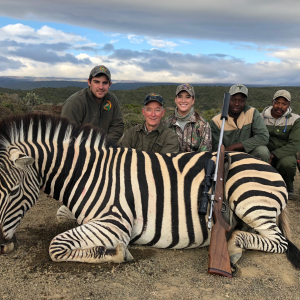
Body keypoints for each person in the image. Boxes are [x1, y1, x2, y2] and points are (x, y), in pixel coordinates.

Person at [61, 65, 124, 144]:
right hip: (81, 148)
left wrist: (104, 144)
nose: (101, 87)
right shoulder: (75, 102)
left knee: (125, 140)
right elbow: (67, 133)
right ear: (89, 82)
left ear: (109, 85)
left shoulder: (112, 99)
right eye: (96, 82)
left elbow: (118, 126)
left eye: (105, 83)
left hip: (105, 145)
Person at [210, 84, 270, 162]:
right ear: (227, 99)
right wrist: (228, 151)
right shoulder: (216, 120)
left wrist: (234, 147)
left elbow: (263, 137)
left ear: (245, 101)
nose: (236, 104)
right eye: (233, 100)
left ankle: (262, 173)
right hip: (228, 155)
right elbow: (215, 148)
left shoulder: (252, 112)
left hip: (249, 152)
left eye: (241, 101)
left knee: (263, 152)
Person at [261, 90, 300, 198]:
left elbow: (295, 144)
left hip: (285, 152)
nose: (280, 106)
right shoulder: (260, 117)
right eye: (277, 102)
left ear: (289, 105)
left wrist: (273, 155)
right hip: (264, 150)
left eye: (284, 104)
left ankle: (287, 188)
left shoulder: (295, 120)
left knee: (287, 164)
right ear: (272, 102)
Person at [163, 83, 211, 152]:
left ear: (193, 100)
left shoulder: (203, 124)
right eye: (180, 96)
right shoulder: (166, 123)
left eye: (188, 97)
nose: (183, 100)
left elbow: (205, 154)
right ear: (175, 100)